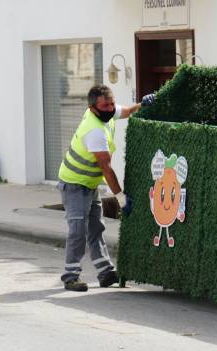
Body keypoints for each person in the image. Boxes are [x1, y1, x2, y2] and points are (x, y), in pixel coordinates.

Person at [57, 84, 154, 292]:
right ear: (92, 108)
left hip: (89, 184)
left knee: (96, 228)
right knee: (78, 230)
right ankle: (70, 277)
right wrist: (121, 198)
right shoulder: (95, 131)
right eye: (106, 106)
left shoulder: (105, 114)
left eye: (112, 104)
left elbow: (126, 111)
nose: (110, 109)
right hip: (74, 185)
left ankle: (105, 273)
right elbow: (107, 169)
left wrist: (142, 105)